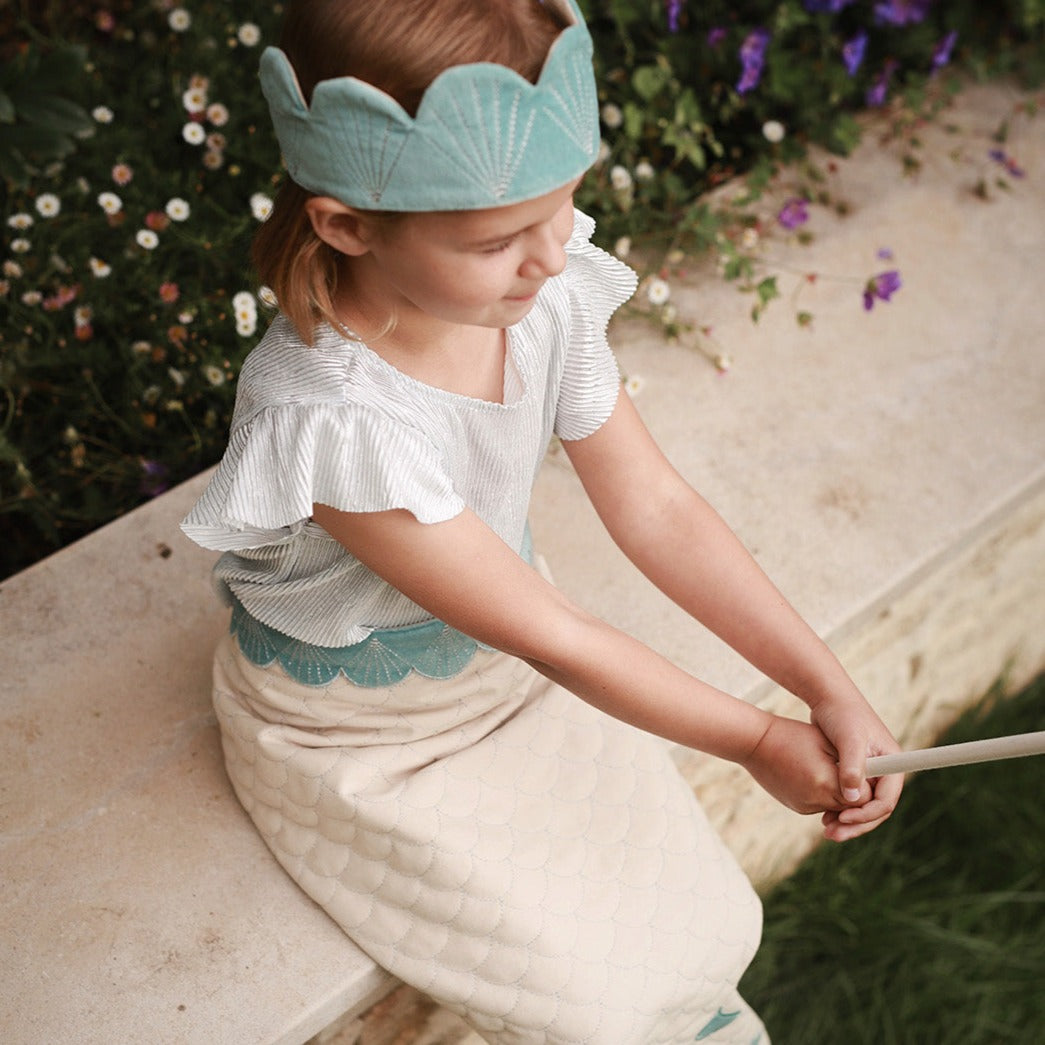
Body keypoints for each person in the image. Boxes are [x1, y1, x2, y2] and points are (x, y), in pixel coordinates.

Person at [181, 1, 904, 1041]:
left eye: (563, 209)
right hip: (362, 736)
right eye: (498, 239)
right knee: (588, 999)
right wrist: (751, 736)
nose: (549, 257)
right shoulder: (334, 422)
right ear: (345, 224)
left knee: (697, 925)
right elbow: (558, 637)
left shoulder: (541, 299)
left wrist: (823, 686)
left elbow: (654, 506)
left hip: (501, 671)